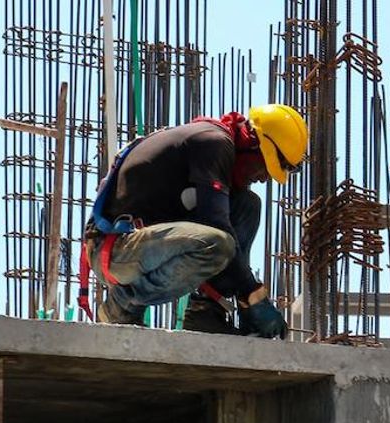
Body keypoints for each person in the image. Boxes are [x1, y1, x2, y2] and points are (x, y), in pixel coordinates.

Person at [79, 104, 307, 337]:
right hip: (116, 249)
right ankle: (123, 304)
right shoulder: (213, 143)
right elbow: (217, 226)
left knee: (247, 205)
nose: (263, 178)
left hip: (144, 244)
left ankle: (205, 311)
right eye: (265, 167)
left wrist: (246, 297)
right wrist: (254, 295)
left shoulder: (214, 143)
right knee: (217, 244)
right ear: (253, 146)